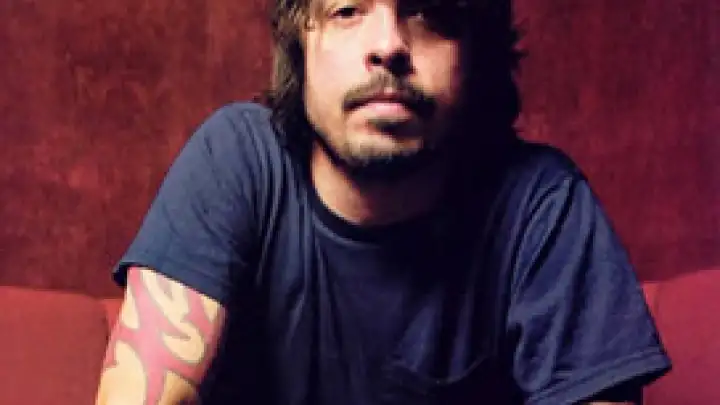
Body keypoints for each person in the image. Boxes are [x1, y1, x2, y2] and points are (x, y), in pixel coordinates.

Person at [95, 0, 671, 404]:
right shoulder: (237, 159)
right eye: (347, 11)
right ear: (301, 46)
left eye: (429, 12)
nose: (389, 45)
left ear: (475, 53)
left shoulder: (540, 203)